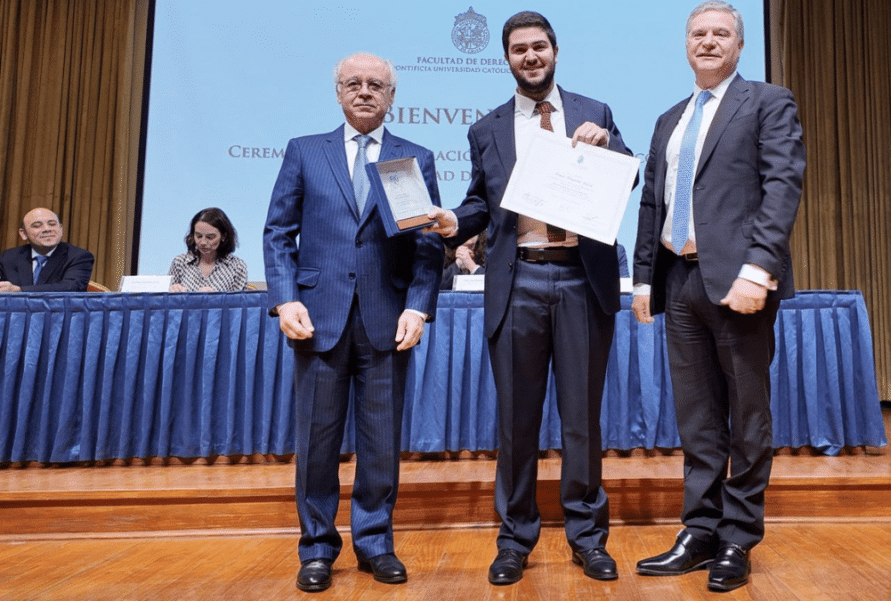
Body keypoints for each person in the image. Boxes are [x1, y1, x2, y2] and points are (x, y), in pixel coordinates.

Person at [425, 10, 632, 586]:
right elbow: (480, 206)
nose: (530, 57)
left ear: (556, 51)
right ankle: (514, 539)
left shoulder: (596, 112)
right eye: (519, 50)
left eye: (539, 47)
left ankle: (588, 538)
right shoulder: (486, 128)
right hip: (517, 285)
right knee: (516, 424)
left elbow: (628, 177)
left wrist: (607, 145)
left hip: (581, 281)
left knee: (581, 423)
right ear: (507, 58)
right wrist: (451, 222)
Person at [631, 1, 805, 593]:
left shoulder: (768, 101)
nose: (709, 42)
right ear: (686, 44)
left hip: (739, 285)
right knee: (698, 419)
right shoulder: (668, 119)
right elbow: (652, 202)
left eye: (721, 33)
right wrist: (645, 279)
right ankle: (699, 531)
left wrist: (760, 268)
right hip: (679, 283)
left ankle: (737, 537)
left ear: (739, 45)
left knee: (747, 417)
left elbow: (782, 186)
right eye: (699, 33)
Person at [262, 52, 443, 592]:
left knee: (381, 441)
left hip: (388, 320)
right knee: (317, 441)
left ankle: (375, 543)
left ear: (392, 97)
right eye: (354, 84)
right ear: (338, 92)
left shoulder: (415, 157)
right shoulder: (303, 152)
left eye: (376, 85)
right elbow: (277, 233)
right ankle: (317, 548)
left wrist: (418, 304)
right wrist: (285, 297)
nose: (365, 92)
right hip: (317, 319)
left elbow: (426, 246)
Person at [0, 207, 94, 293]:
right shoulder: (8, 257)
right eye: (37, 226)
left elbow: (72, 287)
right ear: (23, 233)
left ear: (61, 230)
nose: (46, 229)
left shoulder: (79, 256)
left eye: (52, 224)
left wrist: (19, 290)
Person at [168, 207, 248, 292]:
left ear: (223, 236)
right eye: (198, 236)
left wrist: (215, 299)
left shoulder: (237, 267)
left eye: (210, 237)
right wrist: (172, 292)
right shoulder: (180, 263)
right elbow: (164, 301)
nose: (203, 242)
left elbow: (238, 303)